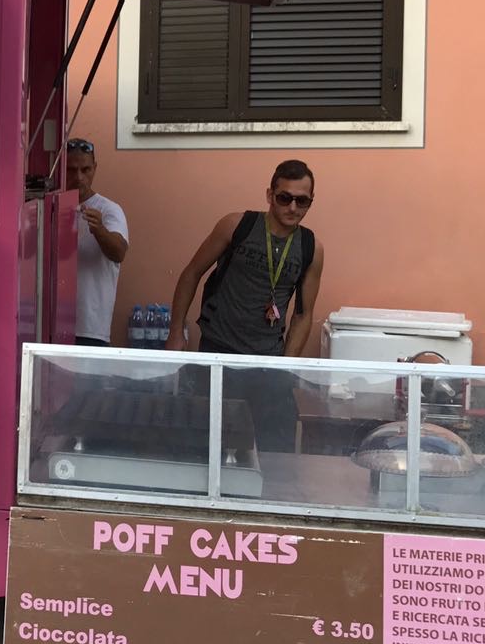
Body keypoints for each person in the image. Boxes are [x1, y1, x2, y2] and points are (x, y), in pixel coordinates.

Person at [165, 159, 325, 452]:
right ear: (270, 195)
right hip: (219, 352)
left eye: (302, 201)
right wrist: (176, 332)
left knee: (275, 451)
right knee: (206, 444)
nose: (292, 207)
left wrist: (285, 368)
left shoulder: (311, 248)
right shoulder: (237, 225)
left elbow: (303, 314)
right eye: (284, 197)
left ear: (311, 201)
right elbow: (191, 274)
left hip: (268, 361)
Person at [65, 137, 128, 347]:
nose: (79, 177)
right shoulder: (50, 207)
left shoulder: (109, 210)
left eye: (85, 170)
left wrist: (99, 229)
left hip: (91, 328)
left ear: (95, 168)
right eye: (71, 170)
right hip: (50, 322)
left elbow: (119, 253)